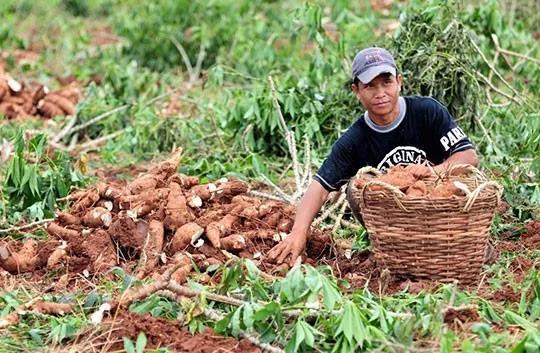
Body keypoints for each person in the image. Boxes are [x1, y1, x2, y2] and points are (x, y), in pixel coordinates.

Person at [268, 47, 479, 267]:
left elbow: (469, 156)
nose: (380, 93)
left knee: (460, 179)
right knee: (355, 188)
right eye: (370, 86)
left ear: (399, 82)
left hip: (441, 213)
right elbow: (319, 187)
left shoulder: (427, 111)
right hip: (396, 225)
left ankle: (458, 243)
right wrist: (298, 233)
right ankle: (392, 249)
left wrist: (433, 172)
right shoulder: (354, 140)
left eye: (386, 82)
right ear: (356, 91)